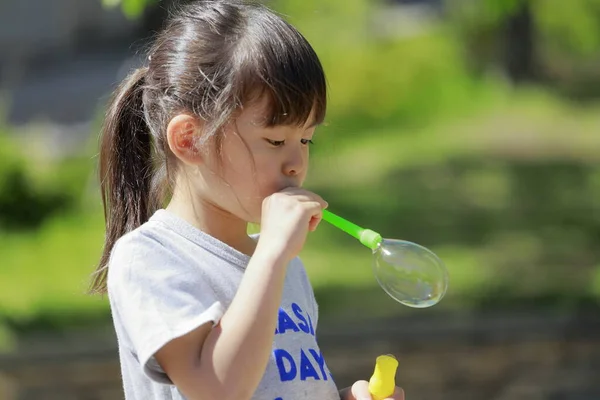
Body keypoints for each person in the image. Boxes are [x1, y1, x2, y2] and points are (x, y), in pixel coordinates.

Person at [90, 1, 405, 399]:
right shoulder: (150, 259)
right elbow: (216, 388)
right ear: (190, 139)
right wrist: (271, 256)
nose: (296, 163)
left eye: (305, 139)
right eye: (275, 140)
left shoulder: (283, 267)